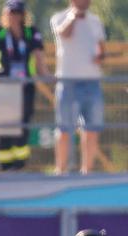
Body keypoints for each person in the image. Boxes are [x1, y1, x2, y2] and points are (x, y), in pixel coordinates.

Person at [0, 1, 49, 171]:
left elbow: (39, 55)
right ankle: (4, 165)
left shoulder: (30, 32)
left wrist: (45, 74)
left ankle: (19, 164)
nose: (14, 16)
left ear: (23, 15)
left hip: (25, 86)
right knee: (4, 123)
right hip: (5, 86)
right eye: (11, 12)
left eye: (17, 13)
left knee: (23, 123)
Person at [51, 0, 106, 174]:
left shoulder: (96, 21)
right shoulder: (59, 18)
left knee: (91, 128)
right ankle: (60, 170)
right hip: (68, 82)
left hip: (92, 82)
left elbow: (102, 48)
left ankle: (87, 171)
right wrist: (73, 17)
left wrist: (100, 56)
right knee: (64, 128)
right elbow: (64, 34)